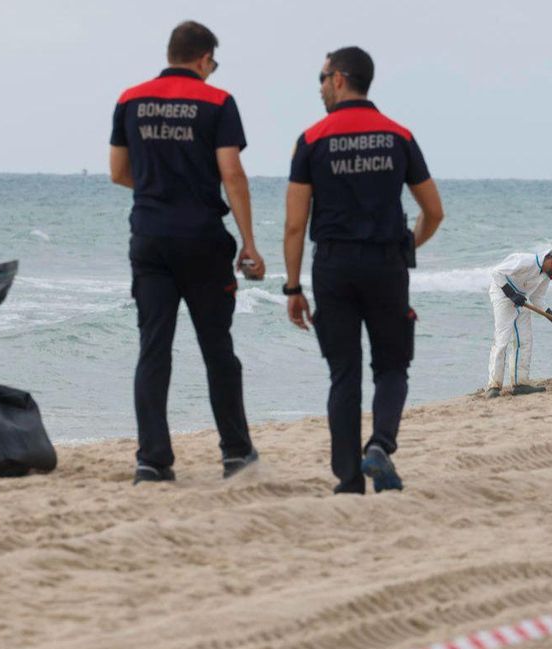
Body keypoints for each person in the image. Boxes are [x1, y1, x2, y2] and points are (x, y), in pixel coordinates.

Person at [283, 46, 444, 494]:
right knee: (392, 367)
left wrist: (292, 286)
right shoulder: (398, 135)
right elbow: (433, 211)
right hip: (385, 263)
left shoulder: (311, 139)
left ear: (338, 78)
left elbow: (295, 224)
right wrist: (405, 246)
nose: (318, 87)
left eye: (320, 77)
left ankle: (349, 481)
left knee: (343, 373)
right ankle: (380, 445)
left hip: (333, 266)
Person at [109, 20, 264, 485]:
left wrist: (161, 187)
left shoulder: (130, 99)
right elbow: (232, 174)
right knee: (218, 350)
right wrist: (250, 244)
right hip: (201, 239)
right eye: (212, 63)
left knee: (153, 349)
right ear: (203, 58)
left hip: (150, 238)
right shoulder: (218, 102)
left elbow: (118, 171)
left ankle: (152, 461)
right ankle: (236, 453)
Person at [485, 248, 552, 397]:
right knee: (502, 340)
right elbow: (496, 273)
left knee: (524, 340)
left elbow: (538, 298)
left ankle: (520, 384)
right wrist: (511, 293)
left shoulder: (545, 276)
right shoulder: (525, 261)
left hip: (522, 299)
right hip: (502, 296)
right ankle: (493, 386)